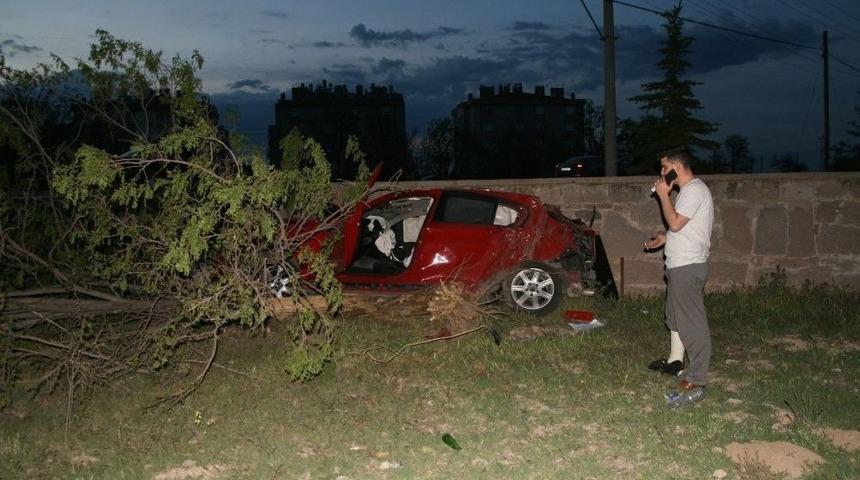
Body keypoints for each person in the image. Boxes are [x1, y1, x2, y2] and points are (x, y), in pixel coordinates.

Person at [643, 147, 714, 404]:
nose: (662, 173)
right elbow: (681, 229)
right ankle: (675, 361)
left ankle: (698, 377)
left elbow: (674, 222)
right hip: (680, 263)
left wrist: (663, 195)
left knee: (691, 321)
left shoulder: (694, 190)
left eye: (664, 168)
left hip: (688, 266)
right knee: (675, 317)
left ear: (676, 167)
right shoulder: (688, 192)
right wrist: (664, 239)